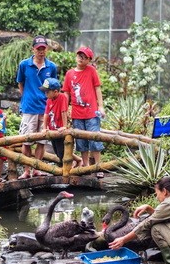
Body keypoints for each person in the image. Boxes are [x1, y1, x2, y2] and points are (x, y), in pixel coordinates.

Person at [16, 35, 57, 179]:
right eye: (38, 48)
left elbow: (54, 86)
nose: (41, 51)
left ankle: (37, 168)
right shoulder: (24, 65)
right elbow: (20, 83)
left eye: (43, 48)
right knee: (26, 140)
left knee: (42, 140)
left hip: (45, 107)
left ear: (46, 49)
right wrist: (26, 97)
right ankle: (27, 170)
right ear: (33, 49)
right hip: (29, 108)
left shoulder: (51, 66)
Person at [62, 46, 105, 174]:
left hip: (92, 112)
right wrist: (65, 108)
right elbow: (66, 93)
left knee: (95, 139)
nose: (81, 58)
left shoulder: (91, 71)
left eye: (84, 57)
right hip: (77, 113)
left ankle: (98, 166)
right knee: (81, 141)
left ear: (89, 60)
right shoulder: (70, 73)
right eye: (79, 55)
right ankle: (85, 166)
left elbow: (97, 88)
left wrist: (101, 106)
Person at [41, 77, 82, 168]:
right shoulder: (48, 100)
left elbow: (64, 111)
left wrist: (64, 126)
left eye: (47, 92)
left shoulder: (62, 97)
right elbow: (46, 114)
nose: (45, 93)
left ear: (55, 91)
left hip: (59, 129)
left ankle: (69, 166)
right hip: (52, 129)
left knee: (61, 151)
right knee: (56, 150)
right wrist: (44, 128)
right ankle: (77, 160)